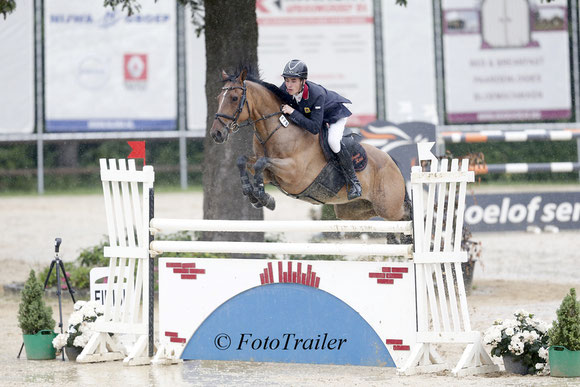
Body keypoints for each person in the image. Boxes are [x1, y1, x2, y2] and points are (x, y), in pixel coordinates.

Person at [279, 59, 362, 200]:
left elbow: (314, 127)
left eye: (293, 81)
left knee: (333, 142)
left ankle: (354, 182)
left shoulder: (316, 94)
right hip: (317, 116)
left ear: (303, 81)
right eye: (287, 80)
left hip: (335, 114)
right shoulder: (285, 89)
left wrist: (292, 112)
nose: (289, 85)